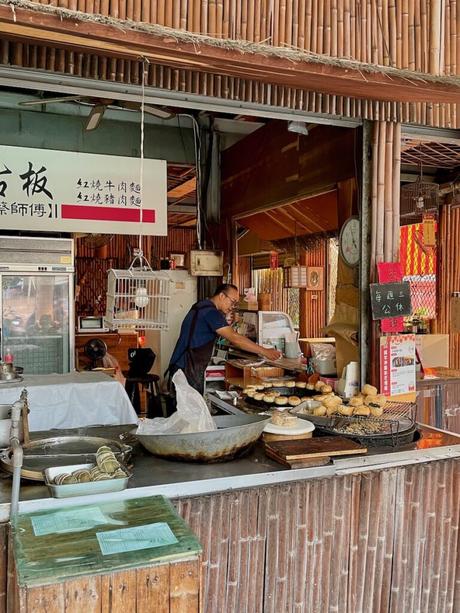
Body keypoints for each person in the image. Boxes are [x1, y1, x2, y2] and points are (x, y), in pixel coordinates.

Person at [167, 283, 282, 394]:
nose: (232, 307)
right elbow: (235, 338)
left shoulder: (201, 306)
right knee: (189, 411)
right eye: (232, 302)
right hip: (187, 369)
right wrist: (265, 351)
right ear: (222, 296)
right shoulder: (210, 312)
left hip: (182, 366)